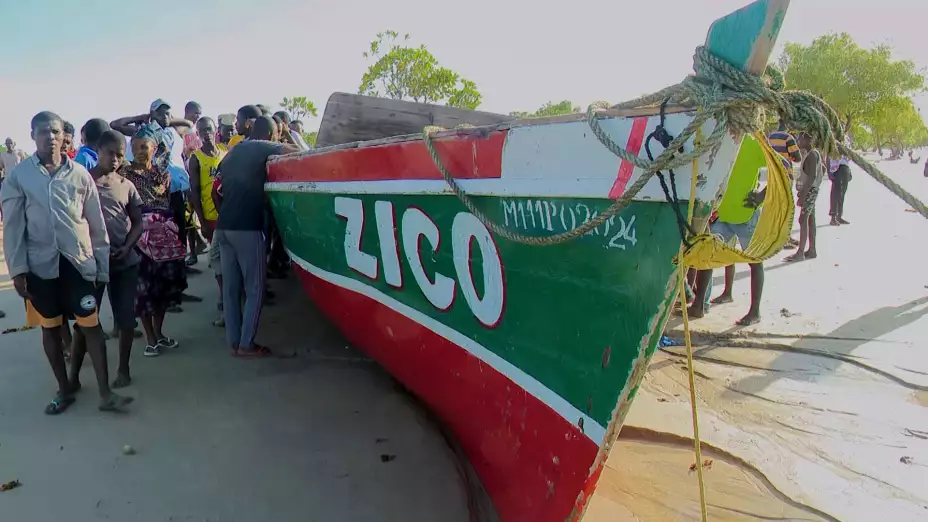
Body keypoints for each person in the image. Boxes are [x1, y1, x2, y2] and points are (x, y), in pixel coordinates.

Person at [1, 111, 131, 413]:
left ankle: (105, 394)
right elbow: (14, 227)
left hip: (78, 264)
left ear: (64, 136)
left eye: (56, 131)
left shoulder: (80, 175)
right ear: (33, 136)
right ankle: (65, 388)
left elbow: (95, 224)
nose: (51, 137)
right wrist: (18, 269)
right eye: (44, 131)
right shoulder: (19, 177)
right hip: (40, 268)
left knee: (91, 325)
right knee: (50, 329)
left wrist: (100, 264)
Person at [212, 115, 301, 357]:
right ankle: (246, 344)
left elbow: (216, 188)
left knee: (231, 290)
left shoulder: (232, 153)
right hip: (247, 227)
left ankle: (234, 342)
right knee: (255, 288)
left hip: (224, 227)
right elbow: (296, 151)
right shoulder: (263, 145)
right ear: (271, 134)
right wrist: (290, 137)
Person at [69, 131, 143, 389]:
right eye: (110, 152)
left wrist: (128, 246)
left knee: (125, 319)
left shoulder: (126, 185)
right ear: (97, 151)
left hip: (124, 262)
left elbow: (138, 223)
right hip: (91, 264)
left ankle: (123, 369)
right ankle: (73, 376)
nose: (114, 159)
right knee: (85, 320)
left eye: (120, 155)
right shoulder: (82, 182)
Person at [119, 130, 188, 357]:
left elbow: (169, 204)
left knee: (164, 288)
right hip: (138, 238)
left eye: (144, 147)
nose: (139, 152)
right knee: (143, 290)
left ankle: (159, 333)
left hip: (164, 238)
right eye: (136, 147)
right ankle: (149, 337)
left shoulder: (163, 174)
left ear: (154, 149)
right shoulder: (124, 174)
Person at [689, 135, 768, 325]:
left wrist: (761, 196)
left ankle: (754, 312)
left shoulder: (755, 142)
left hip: (745, 215)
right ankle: (699, 304)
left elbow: (783, 172)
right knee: (707, 256)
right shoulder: (721, 139)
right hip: (720, 214)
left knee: (755, 262)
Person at [187, 117, 226, 326]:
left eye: (209, 129)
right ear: (198, 134)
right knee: (219, 263)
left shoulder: (225, 152)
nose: (206, 133)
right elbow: (194, 192)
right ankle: (223, 301)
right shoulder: (196, 159)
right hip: (211, 218)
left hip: (228, 215)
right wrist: (201, 219)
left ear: (215, 130)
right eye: (202, 130)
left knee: (230, 261)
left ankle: (229, 301)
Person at [785, 133, 824, 262]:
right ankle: (812, 249)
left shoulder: (812, 155)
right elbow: (820, 170)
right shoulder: (811, 154)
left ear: (808, 139)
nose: (798, 141)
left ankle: (800, 252)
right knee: (810, 219)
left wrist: (803, 195)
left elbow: (812, 176)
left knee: (803, 219)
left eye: (800, 138)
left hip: (809, 191)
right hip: (811, 190)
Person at [828, 136, 852, 226]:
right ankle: (833, 217)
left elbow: (849, 155)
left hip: (844, 167)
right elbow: (827, 155)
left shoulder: (846, 138)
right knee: (835, 193)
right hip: (836, 168)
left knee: (842, 194)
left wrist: (849, 170)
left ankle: (839, 216)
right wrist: (829, 172)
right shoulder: (832, 137)